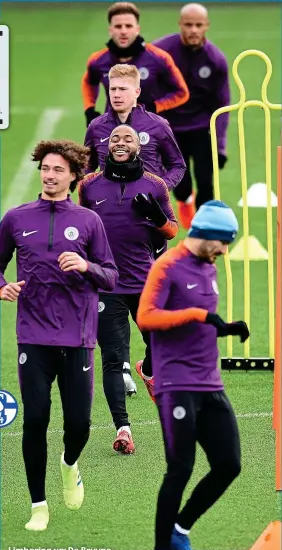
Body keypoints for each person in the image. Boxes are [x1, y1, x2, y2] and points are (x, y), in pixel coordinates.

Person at [0, 140, 118, 532]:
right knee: (34, 419)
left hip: (78, 336)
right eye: (45, 169)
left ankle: (70, 465)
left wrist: (86, 265)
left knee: (79, 424)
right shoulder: (16, 218)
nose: (49, 176)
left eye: (58, 171)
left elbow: (111, 275)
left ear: (73, 176)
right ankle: (38, 505)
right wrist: (2, 285)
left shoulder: (88, 221)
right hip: (32, 335)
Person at [137, 201, 249, 550]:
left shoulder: (208, 267)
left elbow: (202, 320)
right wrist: (199, 315)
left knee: (228, 465)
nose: (224, 251)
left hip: (209, 382)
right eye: (222, 243)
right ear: (206, 236)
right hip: (175, 383)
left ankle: (180, 531)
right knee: (180, 468)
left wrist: (225, 326)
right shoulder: (166, 266)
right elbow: (147, 317)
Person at [84, 63, 186, 394]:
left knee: (158, 323)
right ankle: (121, 367)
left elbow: (178, 165)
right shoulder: (98, 126)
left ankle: (147, 365)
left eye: (122, 89)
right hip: (110, 223)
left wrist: (158, 197)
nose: (115, 95)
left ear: (136, 91)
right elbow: (87, 169)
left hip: (150, 226)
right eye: (111, 89)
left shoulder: (156, 125)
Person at [78, 124, 178, 455]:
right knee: (112, 357)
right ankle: (123, 428)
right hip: (107, 286)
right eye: (115, 138)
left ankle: (148, 371)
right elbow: (80, 228)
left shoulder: (155, 184)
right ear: (107, 145)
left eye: (128, 139)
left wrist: (155, 215)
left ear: (138, 147)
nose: (120, 142)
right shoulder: (90, 187)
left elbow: (172, 230)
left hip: (146, 285)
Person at [153, 3, 230, 229]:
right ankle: (185, 200)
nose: (193, 29)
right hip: (171, 128)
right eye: (188, 24)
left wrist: (221, 145)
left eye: (198, 25)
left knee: (206, 183)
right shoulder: (162, 51)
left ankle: (204, 230)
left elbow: (222, 103)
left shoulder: (216, 60)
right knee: (181, 182)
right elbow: (144, 72)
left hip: (202, 127)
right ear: (180, 25)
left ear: (206, 26)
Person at [82, 1, 189, 126]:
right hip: (113, 129)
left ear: (137, 29)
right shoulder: (97, 60)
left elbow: (182, 93)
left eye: (128, 26)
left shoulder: (159, 58)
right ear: (110, 30)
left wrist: (155, 106)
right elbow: (88, 82)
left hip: (151, 129)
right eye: (118, 26)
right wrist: (89, 109)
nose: (123, 31)